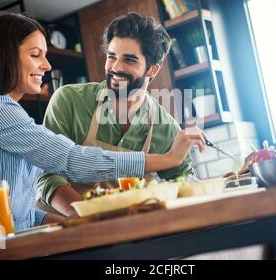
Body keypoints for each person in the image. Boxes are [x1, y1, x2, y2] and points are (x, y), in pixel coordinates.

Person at [0, 13, 205, 255]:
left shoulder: (0, 111)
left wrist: (80, 225)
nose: (47, 65)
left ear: (152, 70)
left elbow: (18, 213)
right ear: (5, 56)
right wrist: (167, 159)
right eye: (35, 54)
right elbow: (71, 160)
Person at [37, 12, 196, 216]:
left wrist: (235, 175)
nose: (116, 68)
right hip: (70, 231)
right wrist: (90, 220)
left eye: (129, 60)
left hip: (131, 234)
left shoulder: (165, 127)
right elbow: (47, 174)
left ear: (152, 70)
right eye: (111, 57)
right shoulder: (69, 101)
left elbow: (186, 185)